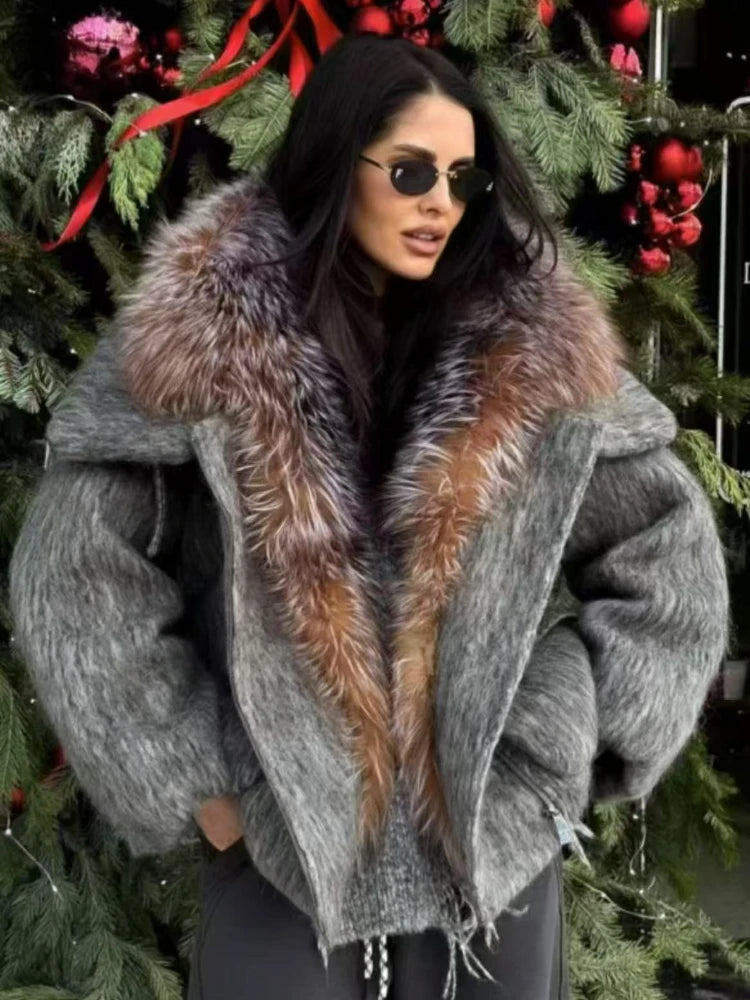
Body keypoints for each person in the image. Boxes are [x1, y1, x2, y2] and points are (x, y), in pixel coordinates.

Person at [9, 32, 729, 1000]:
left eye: (464, 179)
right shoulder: (203, 347)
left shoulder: (531, 354)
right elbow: (76, 570)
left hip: (495, 845)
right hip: (281, 856)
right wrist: (198, 783)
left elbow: (666, 553)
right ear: (331, 161)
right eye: (411, 170)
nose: (441, 201)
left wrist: (577, 733)